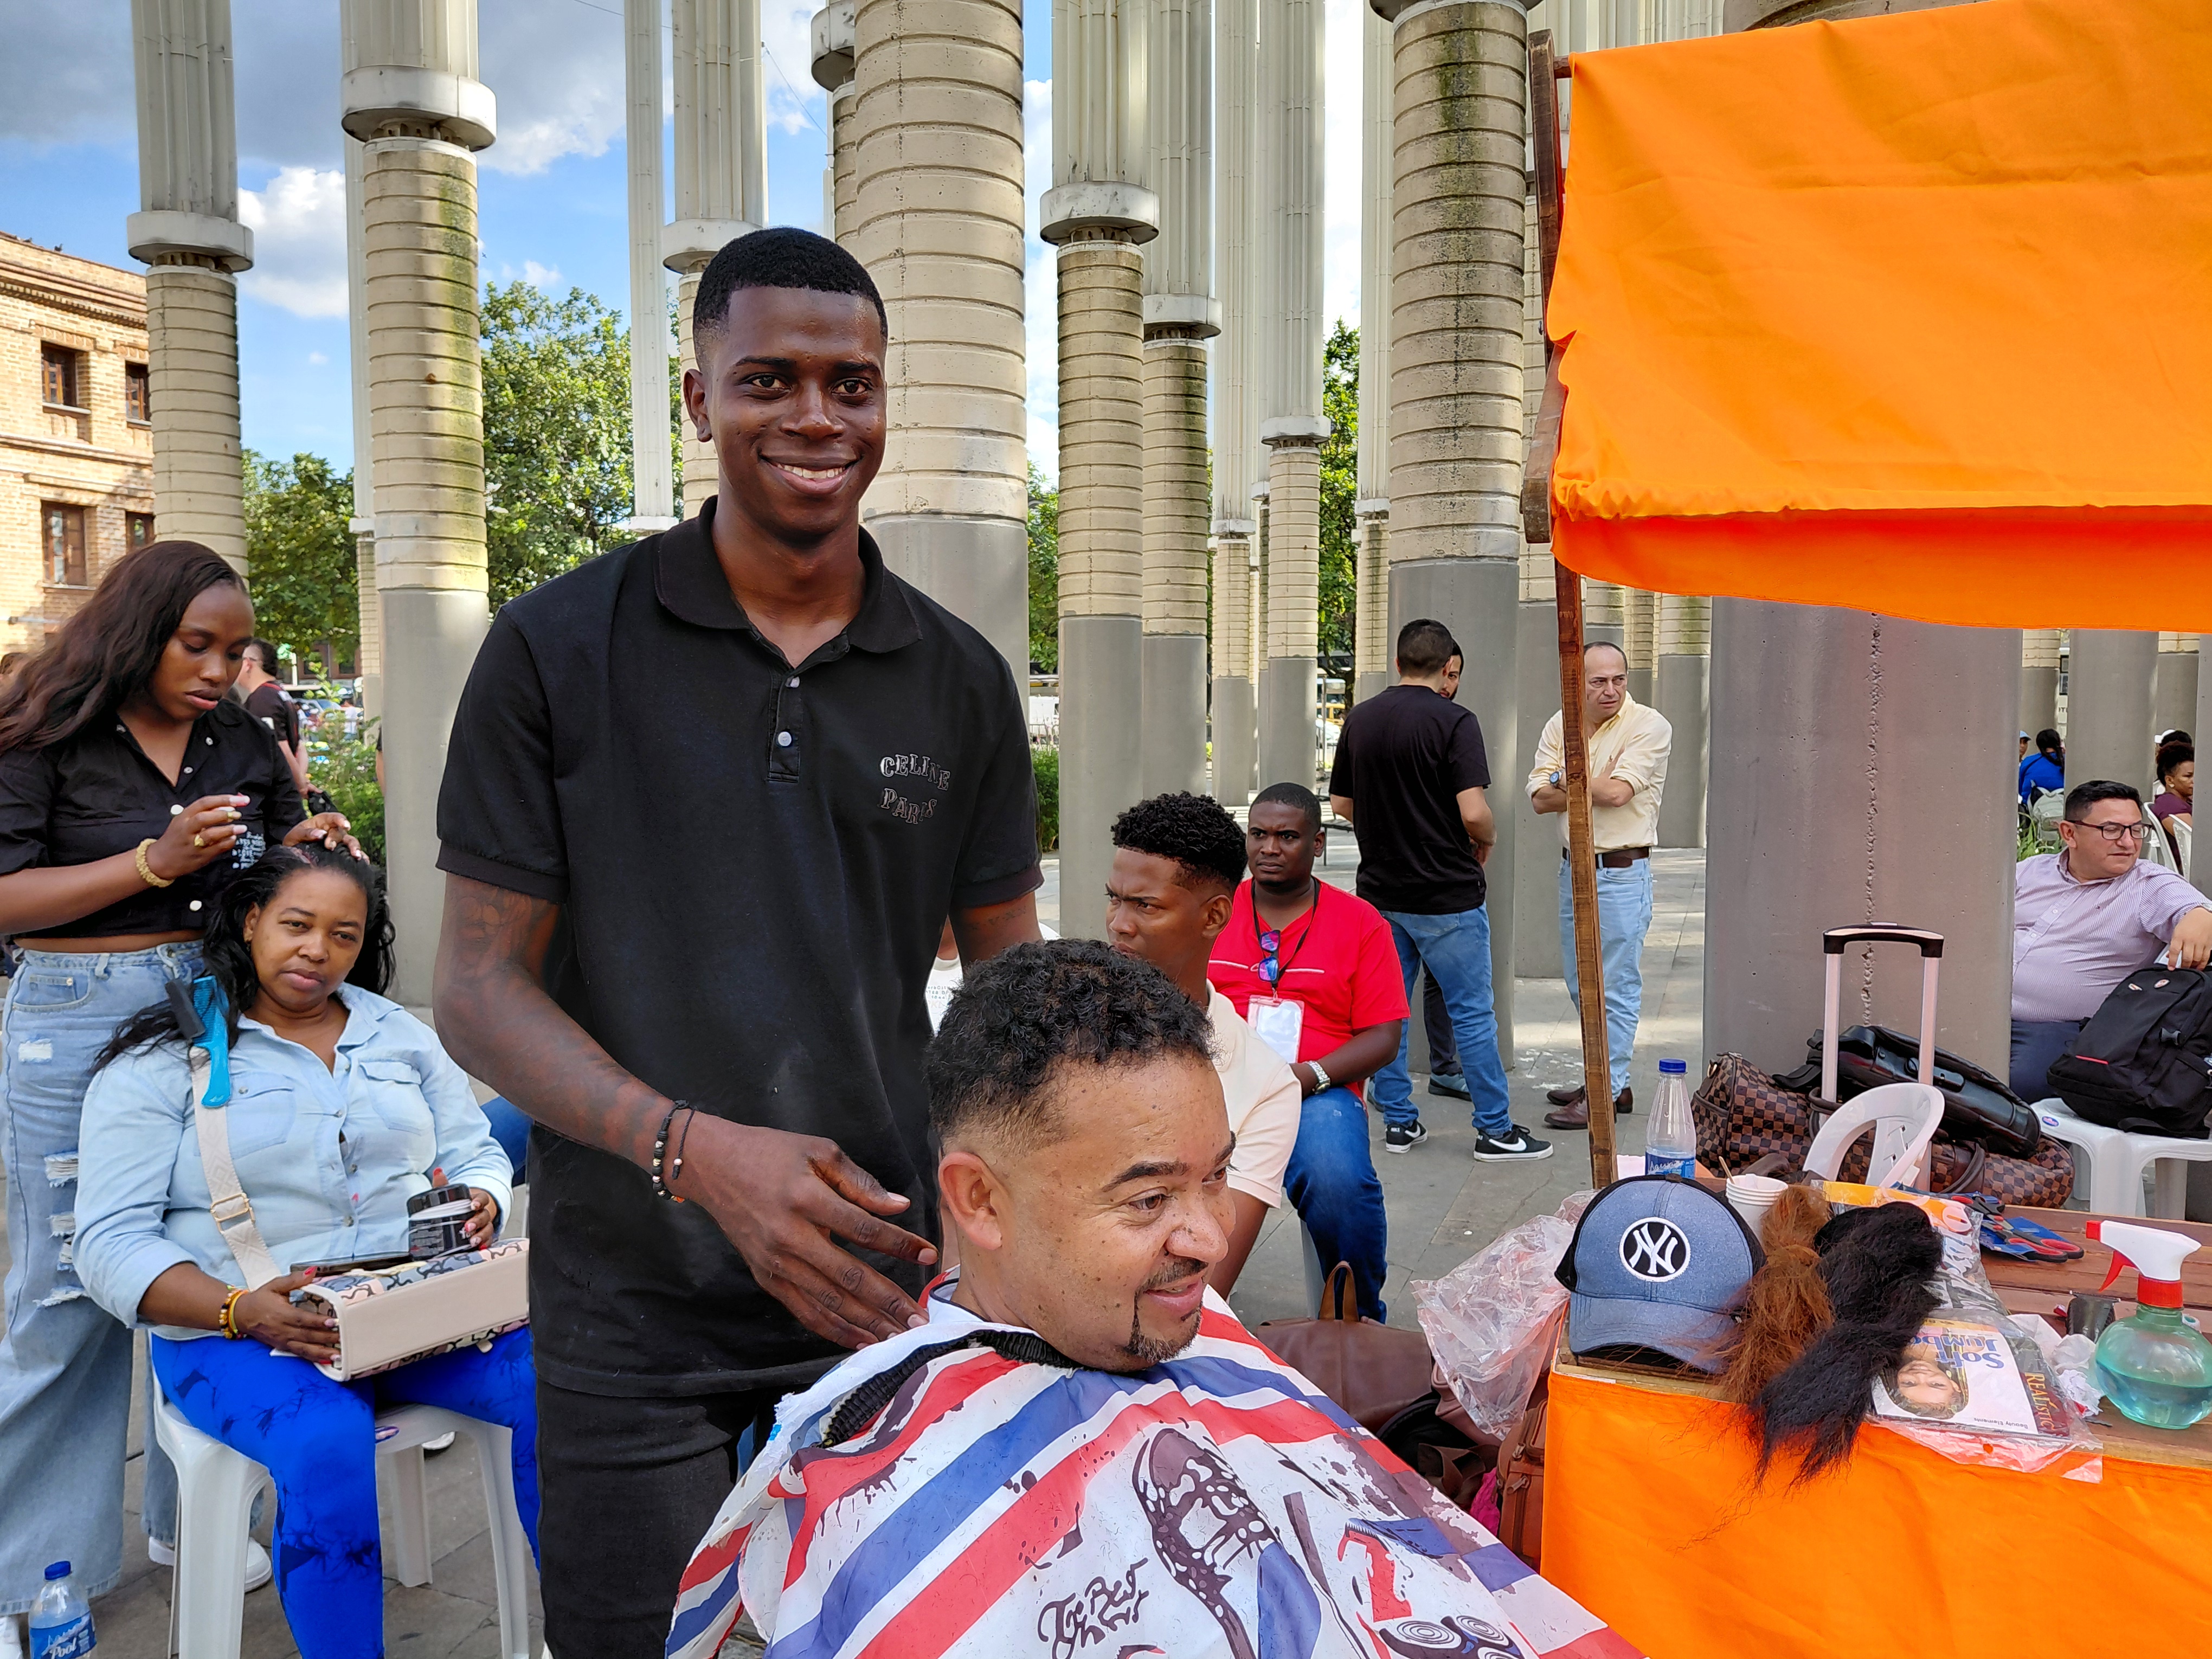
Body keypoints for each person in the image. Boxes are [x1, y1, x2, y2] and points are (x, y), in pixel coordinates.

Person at [432, 227, 1043, 1655]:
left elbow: (1011, 994)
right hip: (629, 1307)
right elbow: (474, 986)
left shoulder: (959, 679)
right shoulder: (557, 650)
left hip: (883, 1286)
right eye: (770, 379)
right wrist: (697, 1153)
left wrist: (1038, 1216)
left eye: (852, 383)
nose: (817, 417)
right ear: (699, 398)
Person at [664, 941, 1637, 1659]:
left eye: (1214, 1178)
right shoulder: (872, 1494)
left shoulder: (1194, 1331)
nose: (1209, 1240)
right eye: (1147, 1200)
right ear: (980, 1201)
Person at [0, 541, 353, 1622]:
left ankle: (185, 1517)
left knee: (202, 1255)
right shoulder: (41, 728)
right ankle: (38, 1574)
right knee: (69, 1288)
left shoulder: (239, 738)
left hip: (207, 1005)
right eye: (197, 644)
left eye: (235, 650)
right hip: (75, 1009)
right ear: (138, 628)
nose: (217, 668)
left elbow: (257, 874)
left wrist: (300, 848)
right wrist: (153, 862)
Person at [72, 844, 530, 1658]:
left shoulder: (395, 1034)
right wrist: (237, 1309)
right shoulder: (166, 1057)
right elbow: (108, 1241)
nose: (318, 950)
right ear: (251, 921)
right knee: (323, 1441)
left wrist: (483, 1196)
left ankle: (592, 1632)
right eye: (296, 925)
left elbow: (472, 1147)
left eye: (343, 935)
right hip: (236, 1334)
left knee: (564, 1384)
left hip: (405, 1315)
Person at [1329, 618, 1552, 1165]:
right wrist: (1488, 839)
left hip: (1381, 895)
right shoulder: (1456, 721)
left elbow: (1341, 804)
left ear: (1399, 661)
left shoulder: (1360, 719)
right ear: (1448, 667)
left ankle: (1399, 1122)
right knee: (1472, 1014)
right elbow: (1473, 812)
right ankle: (1495, 1130)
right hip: (1448, 896)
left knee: (1386, 1012)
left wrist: (1387, 830)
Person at [1205, 782, 1407, 1316]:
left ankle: (1355, 1318)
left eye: (1287, 837)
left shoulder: (1361, 922)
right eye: (1258, 834)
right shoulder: (1213, 910)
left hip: (1316, 1089)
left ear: (1318, 844)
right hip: (1213, 1083)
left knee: (1340, 1183)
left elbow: (1384, 1037)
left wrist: (1306, 1077)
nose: (1269, 848)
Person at [1104, 792, 1300, 1294]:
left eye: (1145, 905)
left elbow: (1205, 1282)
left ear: (1213, 917)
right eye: (1114, 898)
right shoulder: (1059, 1019)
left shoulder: (1265, 1083)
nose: (1119, 924)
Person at [1528, 641, 1674, 1129]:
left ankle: (1605, 1093)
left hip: (1621, 873)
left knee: (1614, 987)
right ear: (1578, 684)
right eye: (1599, 681)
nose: (1611, 690)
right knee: (1580, 984)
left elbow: (1617, 793)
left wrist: (1566, 779)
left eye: (1619, 679)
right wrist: (1583, 778)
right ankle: (1612, 1080)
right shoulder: (1560, 724)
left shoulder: (1649, 725)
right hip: (1574, 869)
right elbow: (1539, 799)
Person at [2010, 780, 2212, 1101]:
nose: (2128, 843)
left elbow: (2195, 910)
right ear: (2069, 833)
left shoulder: (2148, 884)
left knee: (2010, 1087)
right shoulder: (2031, 872)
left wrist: (2201, 917)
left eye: (2136, 830)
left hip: (2060, 1028)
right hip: (1980, 1012)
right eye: (2111, 830)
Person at [236, 636, 309, 799]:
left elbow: (279, 746)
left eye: (236, 659)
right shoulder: (280, 693)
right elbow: (300, 746)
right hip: (283, 790)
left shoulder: (262, 699)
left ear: (247, 664)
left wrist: (299, 785)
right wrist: (301, 778)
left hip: (271, 793)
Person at [2020, 728, 2065, 808]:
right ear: (2059, 743)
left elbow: (2020, 788)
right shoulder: (2067, 761)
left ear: (2038, 745)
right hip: (2063, 809)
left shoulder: (2029, 762)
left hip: (2032, 811)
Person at [2155, 742, 2193, 830]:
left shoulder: (2181, 801)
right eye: (2188, 776)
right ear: (2170, 781)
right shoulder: (2170, 804)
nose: (2195, 780)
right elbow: (2194, 836)